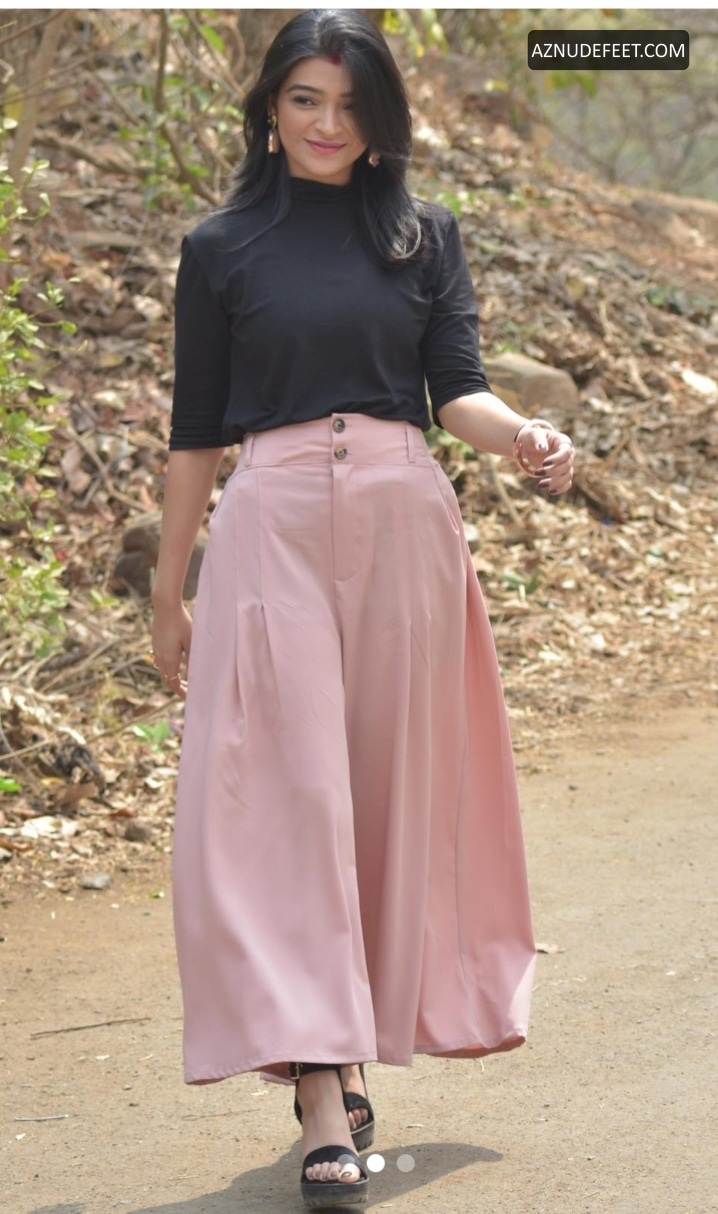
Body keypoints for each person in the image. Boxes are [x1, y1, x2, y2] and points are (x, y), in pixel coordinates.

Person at [151, 9, 574, 1209]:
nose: (326, 124)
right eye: (304, 100)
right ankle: (324, 1098)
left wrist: (523, 436)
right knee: (288, 800)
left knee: (385, 792)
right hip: (271, 522)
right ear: (270, 108)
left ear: (379, 116)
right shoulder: (220, 246)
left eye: (348, 104)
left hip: (401, 520)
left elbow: (458, 390)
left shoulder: (421, 235)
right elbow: (195, 429)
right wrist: (168, 587)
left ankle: (346, 1037)